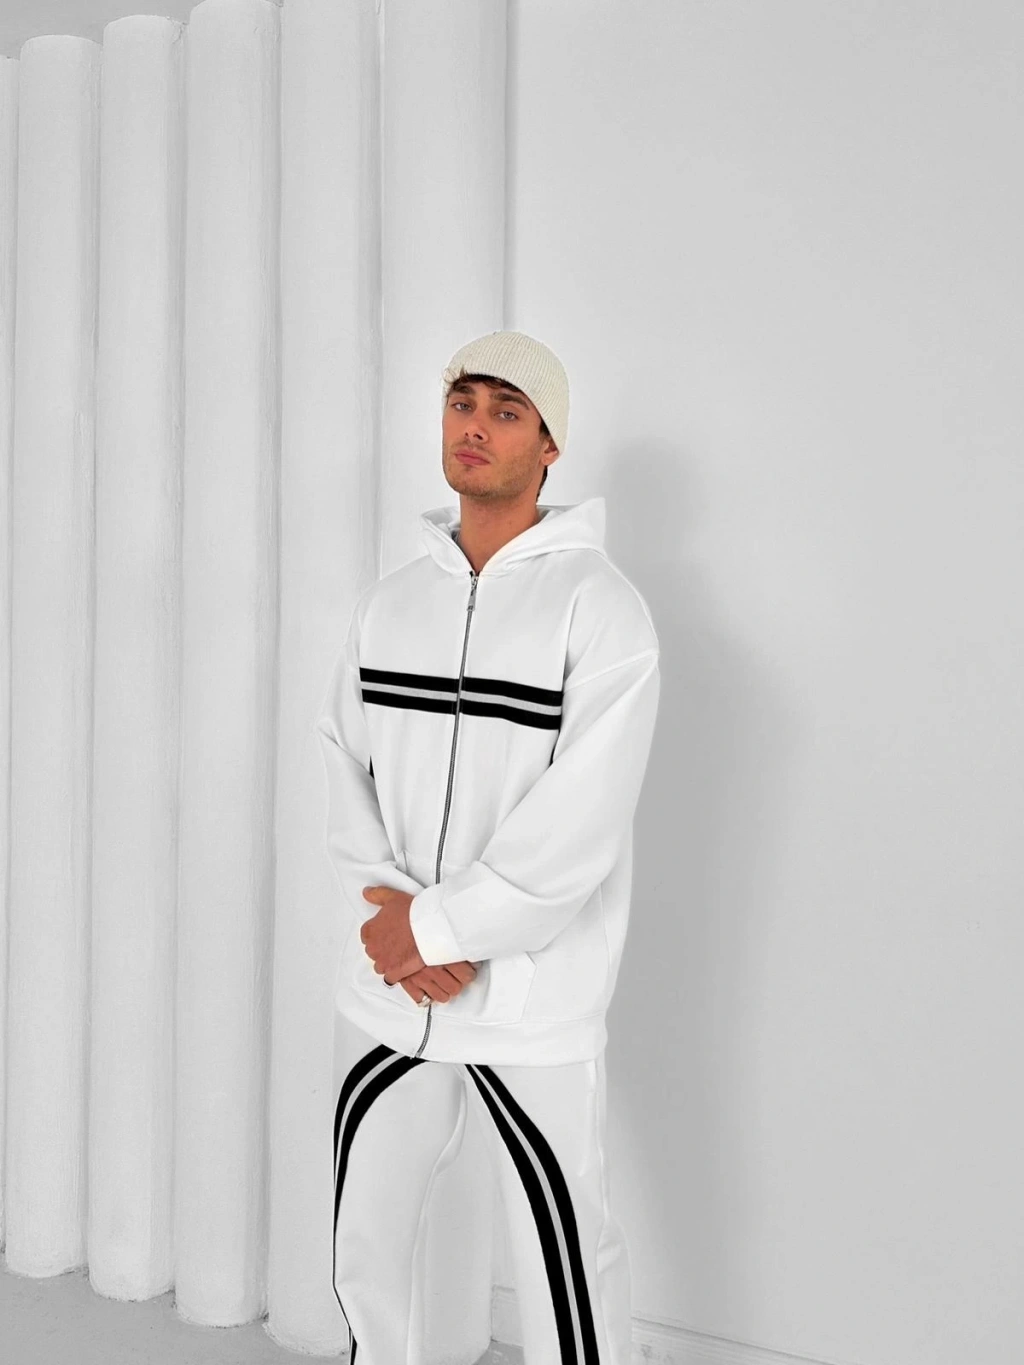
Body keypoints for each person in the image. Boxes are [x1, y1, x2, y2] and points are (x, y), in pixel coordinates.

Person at [315, 330, 661, 1364]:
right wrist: (392, 923)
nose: (475, 427)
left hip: (529, 998)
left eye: (507, 412)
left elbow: (580, 823)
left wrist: (437, 928)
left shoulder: (601, 611)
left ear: (549, 446)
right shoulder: (389, 603)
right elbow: (343, 768)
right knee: (366, 1243)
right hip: (390, 990)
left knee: (565, 1252)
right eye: (462, 404)